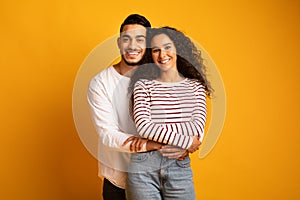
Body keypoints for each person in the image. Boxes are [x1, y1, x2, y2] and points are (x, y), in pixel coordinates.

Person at [87, 15, 188, 200]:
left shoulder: (163, 76)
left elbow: (190, 110)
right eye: (127, 39)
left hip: (164, 175)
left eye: (140, 39)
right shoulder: (101, 83)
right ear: (119, 43)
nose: (133, 46)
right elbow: (108, 135)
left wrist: (195, 139)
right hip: (118, 180)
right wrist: (156, 145)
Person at [126, 26, 212, 200]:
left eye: (167, 47)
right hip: (144, 167)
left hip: (179, 165)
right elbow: (144, 127)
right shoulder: (143, 85)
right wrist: (187, 142)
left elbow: (195, 127)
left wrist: (158, 130)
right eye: (156, 50)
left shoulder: (195, 87)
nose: (162, 54)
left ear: (177, 49)